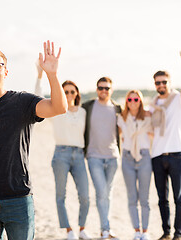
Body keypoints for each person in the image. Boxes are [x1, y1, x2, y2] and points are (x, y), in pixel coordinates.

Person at [0, 41, 67, 240]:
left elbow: (59, 107)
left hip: (18, 198)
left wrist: (51, 75)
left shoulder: (22, 102)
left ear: (6, 71)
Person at [35, 68, 90, 239]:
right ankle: (69, 230)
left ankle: (82, 229)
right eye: (65, 91)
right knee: (61, 195)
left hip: (79, 156)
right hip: (61, 155)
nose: (69, 94)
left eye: (72, 91)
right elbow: (38, 97)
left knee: (85, 196)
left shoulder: (83, 112)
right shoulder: (56, 110)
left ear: (77, 93)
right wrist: (39, 75)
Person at [150, 49, 181, 240]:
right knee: (162, 199)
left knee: (179, 198)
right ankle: (166, 233)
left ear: (169, 82)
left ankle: (178, 233)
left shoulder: (178, 99)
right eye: (158, 82)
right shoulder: (153, 104)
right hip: (157, 156)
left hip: (176, 155)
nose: (161, 85)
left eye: (164, 82)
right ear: (155, 84)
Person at [81, 77, 121, 239]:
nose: (103, 91)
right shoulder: (88, 107)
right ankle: (106, 229)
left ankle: (105, 228)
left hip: (113, 157)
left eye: (106, 88)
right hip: (94, 157)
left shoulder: (118, 109)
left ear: (111, 90)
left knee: (107, 193)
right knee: (102, 192)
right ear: (97, 89)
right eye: (100, 88)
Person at [117, 90, 153, 240]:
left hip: (144, 157)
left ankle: (145, 231)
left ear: (140, 100)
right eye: (129, 99)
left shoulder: (148, 116)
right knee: (132, 197)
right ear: (126, 101)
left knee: (144, 198)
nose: (132, 102)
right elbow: (117, 136)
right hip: (127, 158)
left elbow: (156, 132)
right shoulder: (121, 118)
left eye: (135, 99)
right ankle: (136, 230)